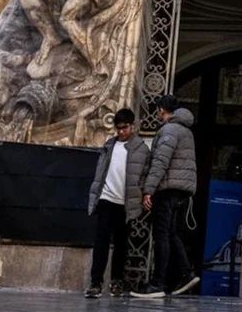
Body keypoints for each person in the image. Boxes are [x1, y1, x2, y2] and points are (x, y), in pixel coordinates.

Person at [131, 94, 199, 298]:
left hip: (167, 188)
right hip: (180, 189)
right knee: (170, 233)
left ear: (161, 109)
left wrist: (148, 189)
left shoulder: (169, 130)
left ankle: (157, 283)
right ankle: (186, 273)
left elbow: (160, 161)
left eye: (158, 110)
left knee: (161, 234)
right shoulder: (186, 131)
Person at [85, 107, 150, 298]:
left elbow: (146, 175)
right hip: (106, 198)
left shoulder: (141, 149)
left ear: (133, 126)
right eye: (118, 128)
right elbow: (101, 172)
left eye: (125, 128)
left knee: (122, 244)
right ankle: (96, 282)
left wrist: (144, 194)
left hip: (126, 202)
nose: (121, 132)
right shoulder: (109, 146)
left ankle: (117, 281)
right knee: (101, 243)